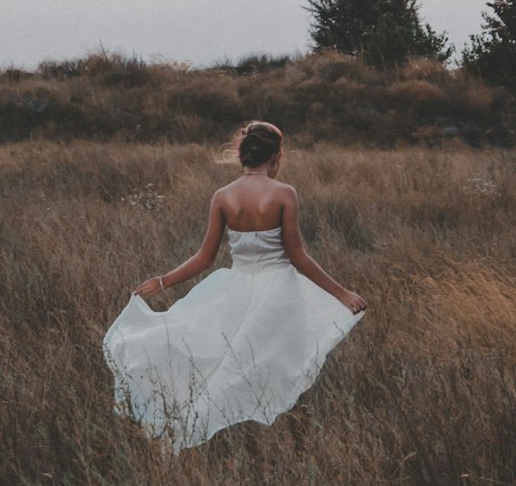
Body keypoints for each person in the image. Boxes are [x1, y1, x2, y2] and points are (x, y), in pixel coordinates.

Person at [103, 121, 366, 451]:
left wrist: (163, 281)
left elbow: (205, 257)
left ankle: (243, 438)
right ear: (277, 157)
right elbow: (298, 257)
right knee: (286, 364)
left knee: (231, 364)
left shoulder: (224, 196)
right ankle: (297, 444)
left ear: (242, 155)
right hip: (280, 292)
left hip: (234, 290)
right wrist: (342, 294)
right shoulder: (283, 194)